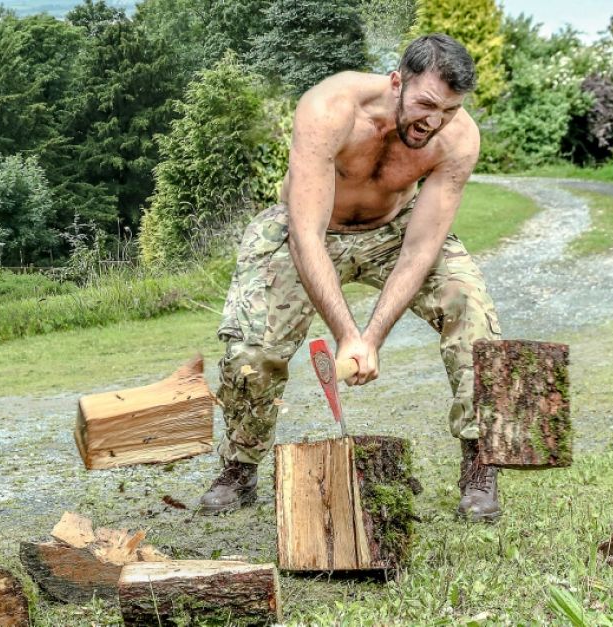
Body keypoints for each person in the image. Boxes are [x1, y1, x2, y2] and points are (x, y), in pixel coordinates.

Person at [200, 34, 503, 522]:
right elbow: (305, 235)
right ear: (396, 81)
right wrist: (346, 336)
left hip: (394, 231)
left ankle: (481, 467)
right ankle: (239, 465)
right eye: (425, 103)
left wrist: (373, 336)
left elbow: (422, 247)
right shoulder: (329, 107)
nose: (434, 121)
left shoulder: (459, 138)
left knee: (473, 310)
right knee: (252, 349)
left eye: (449, 110)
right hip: (308, 226)